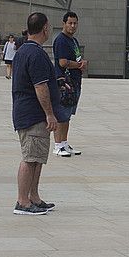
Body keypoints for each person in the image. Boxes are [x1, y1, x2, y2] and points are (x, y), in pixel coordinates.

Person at [11, 12, 58, 217]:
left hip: (28, 112)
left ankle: (34, 196)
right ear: (45, 28)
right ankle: (22, 200)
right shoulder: (36, 54)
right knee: (30, 157)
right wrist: (49, 114)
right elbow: (40, 86)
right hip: (33, 113)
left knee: (37, 157)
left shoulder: (23, 50)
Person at [52, 11, 85, 157]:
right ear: (64, 23)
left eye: (75, 23)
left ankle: (64, 143)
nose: (72, 26)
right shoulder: (61, 40)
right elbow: (62, 62)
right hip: (64, 82)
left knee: (67, 115)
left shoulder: (73, 40)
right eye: (70, 23)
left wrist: (80, 64)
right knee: (62, 114)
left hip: (74, 81)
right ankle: (58, 145)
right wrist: (78, 65)